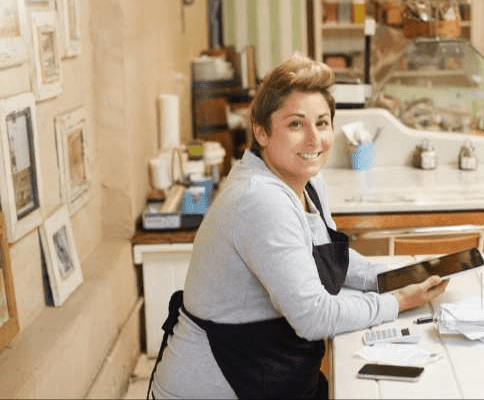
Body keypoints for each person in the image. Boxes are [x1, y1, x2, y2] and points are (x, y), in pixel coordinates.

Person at [150, 53, 449, 399]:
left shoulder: (304, 181)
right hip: (220, 385)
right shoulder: (259, 200)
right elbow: (313, 316)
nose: (314, 140)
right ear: (261, 131)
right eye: (295, 124)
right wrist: (396, 302)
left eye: (322, 123)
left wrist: (395, 277)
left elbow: (327, 260)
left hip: (267, 374)